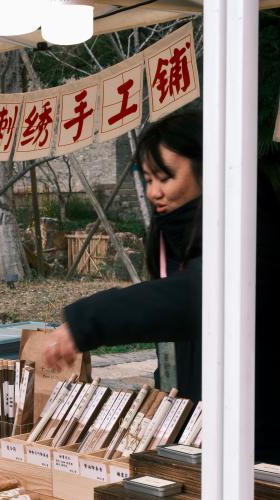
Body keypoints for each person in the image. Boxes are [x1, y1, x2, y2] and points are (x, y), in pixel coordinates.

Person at [43, 110, 280, 462]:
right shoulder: (178, 237)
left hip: (261, 447)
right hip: (209, 440)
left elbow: (201, 295)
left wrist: (89, 321)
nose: (154, 192)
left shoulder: (254, 233)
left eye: (165, 177)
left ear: (209, 169)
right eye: (148, 179)